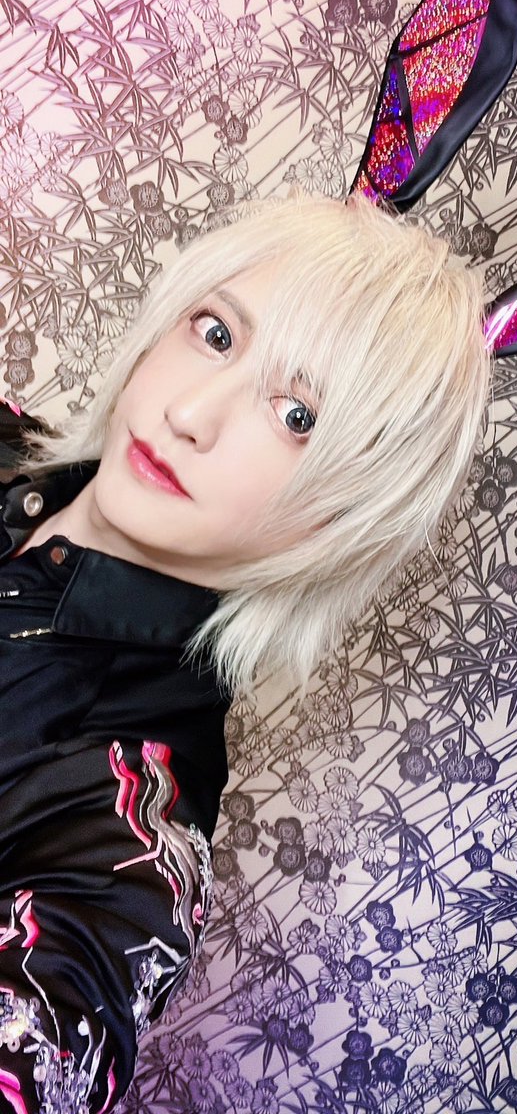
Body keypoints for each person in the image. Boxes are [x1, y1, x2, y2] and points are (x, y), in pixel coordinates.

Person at [0, 191, 490, 1112]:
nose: (191, 412)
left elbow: (57, 1028)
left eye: (297, 416)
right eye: (217, 333)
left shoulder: (124, 812)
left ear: (340, 518)